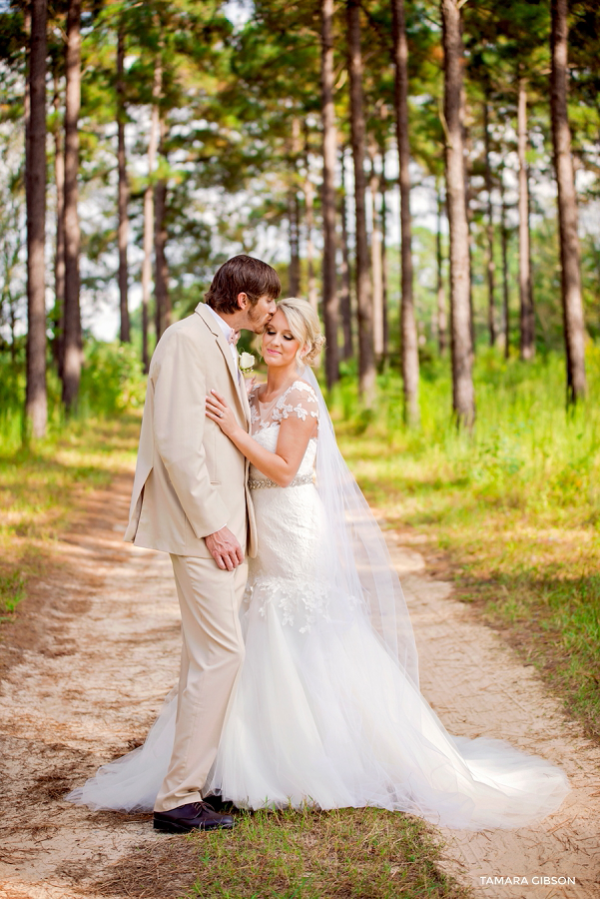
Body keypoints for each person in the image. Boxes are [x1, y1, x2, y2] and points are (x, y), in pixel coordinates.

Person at [69, 297, 570, 832]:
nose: (275, 343)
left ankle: (309, 756)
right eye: (271, 333)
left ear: (306, 347)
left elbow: (284, 470)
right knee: (251, 637)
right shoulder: (254, 392)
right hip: (256, 526)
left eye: (288, 337)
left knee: (299, 633)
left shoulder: (301, 399)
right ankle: (235, 761)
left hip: (292, 524)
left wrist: (237, 434)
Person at [68, 256, 280, 834]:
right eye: (267, 302)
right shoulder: (185, 341)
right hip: (202, 529)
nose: (270, 313)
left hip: (227, 526)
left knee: (204, 657)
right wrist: (213, 525)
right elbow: (178, 446)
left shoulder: (219, 342)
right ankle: (178, 799)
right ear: (243, 299)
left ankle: (197, 783)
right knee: (221, 656)